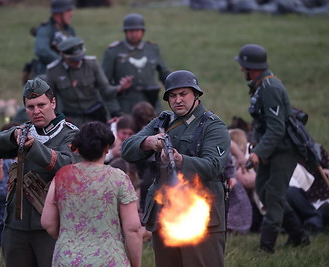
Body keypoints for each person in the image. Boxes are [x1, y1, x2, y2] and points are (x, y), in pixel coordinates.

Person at [121, 70, 231, 267]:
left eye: (183, 94)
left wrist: (181, 160)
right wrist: (149, 142)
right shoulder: (163, 121)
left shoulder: (213, 126)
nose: (178, 100)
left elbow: (213, 166)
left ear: (196, 94)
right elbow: (127, 149)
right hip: (165, 213)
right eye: (173, 95)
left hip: (199, 214)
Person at [0, 77, 80, 267]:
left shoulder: (70, 134)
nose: (36, 111)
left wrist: (34, 147)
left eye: (41, 105)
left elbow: (67, 166)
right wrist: (12, 136)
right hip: (16, 225)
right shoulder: (24, 131)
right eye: (30, 107)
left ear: (53, 103)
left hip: (51, 225)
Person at [235, 44, 310, 253]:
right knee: (263, 190)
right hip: (271, 148)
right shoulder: (259, 86)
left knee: (274, 196)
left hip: (285, 150)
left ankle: (266, 247)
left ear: (252, 67)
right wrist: (257, 145)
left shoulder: (271, 88)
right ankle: (298, 236)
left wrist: (258, 153)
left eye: (244, 66)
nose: (242, 70)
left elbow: (277, 129)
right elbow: (260, 122)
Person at [41, 121, 142, 266]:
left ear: (79, 149)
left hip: (68, 259)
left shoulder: (61, 176)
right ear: (107, 148)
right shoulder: (119, 178)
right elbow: (133, 228)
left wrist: (70, 239)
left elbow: (48, 223)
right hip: (109, 260)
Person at [46, 36, 132, 127]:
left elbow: (106, 90)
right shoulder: (53, 71)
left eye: (80, 58)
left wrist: (120, 88)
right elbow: (50, 100)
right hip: (71, 119)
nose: (78, 62)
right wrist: (57, 118)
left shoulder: (92, 64)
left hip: (95, 117)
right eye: (74, 60)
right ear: (63, 56)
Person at [102, 13, 171, 114]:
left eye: (137, 30)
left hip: (151, 104)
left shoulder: (152, 49)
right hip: (125, 106)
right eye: (131, 31)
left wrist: (177, 87)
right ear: (126, 32)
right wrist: (114, 110)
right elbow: (104, 85)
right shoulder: (113, 52)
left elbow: (164, 74)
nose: (134, 34)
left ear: (142, 31)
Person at [33, 0, 76, 76]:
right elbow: (41, 50)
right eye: (68, 10)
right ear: (58, 14)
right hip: (48, 74)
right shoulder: (45, 29)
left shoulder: (69, 30)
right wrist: (63, 63)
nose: (71, 14)